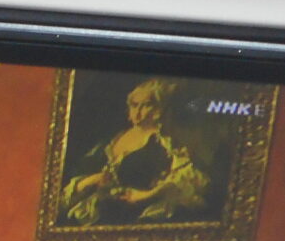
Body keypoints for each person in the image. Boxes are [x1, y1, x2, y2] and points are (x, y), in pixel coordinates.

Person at [58, 78, 210, 226]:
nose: (138, 112)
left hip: (131, 215)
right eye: (134, 105)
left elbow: (186, 181)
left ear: (160, 108)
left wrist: (146, 195)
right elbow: (81, 171)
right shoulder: (113, 140)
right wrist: (90, 180)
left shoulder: (167, 143)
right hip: (91, 213)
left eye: (147, 105)